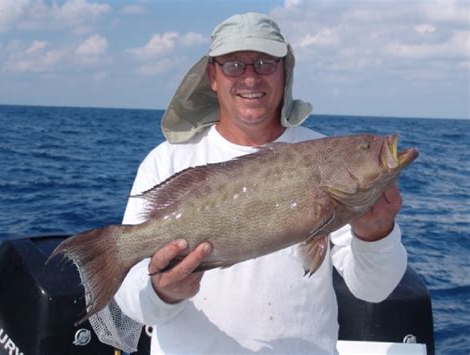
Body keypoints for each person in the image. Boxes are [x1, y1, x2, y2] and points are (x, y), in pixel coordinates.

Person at [94, 13, 407, 354]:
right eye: (233, 65)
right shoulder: (166, 161)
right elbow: (131, 302)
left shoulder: (324, 156)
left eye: (264, 63)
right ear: (212, 75)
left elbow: (374, 290)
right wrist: (164, 291)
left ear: (285, 72)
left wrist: (376, 234)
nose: (250, 77)